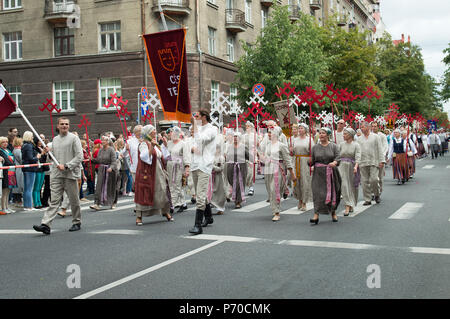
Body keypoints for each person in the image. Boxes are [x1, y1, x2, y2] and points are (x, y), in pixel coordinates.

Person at [33, 117, 83, 235]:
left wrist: (66, 165)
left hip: (70, 174)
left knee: (74, 200)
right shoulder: (55, 140)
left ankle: (77, 221)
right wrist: (47, 151)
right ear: (58, 126)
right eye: (62, 124)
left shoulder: (74, 138)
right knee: (54, 200)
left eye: (66, 124)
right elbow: (52, 157)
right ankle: (46, 224)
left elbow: (79, 156)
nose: (64, 126)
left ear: (69, 126)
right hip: (56, 174)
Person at [134, 124, 173, 226]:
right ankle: (139, 216)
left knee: (162, 190)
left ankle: (165, 211)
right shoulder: (143, 144)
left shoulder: (155, 143)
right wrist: (152, 146)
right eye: (153, 131)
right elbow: (145, 157)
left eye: (155, 130)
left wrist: (164, 145)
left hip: (158, 170)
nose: (155, 132)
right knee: (145, 193)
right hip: (147, 171)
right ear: (148, 133)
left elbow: (163, 156)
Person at [189, 109, 217, 235]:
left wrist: (194, 125)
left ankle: (197, 225)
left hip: (204, 165)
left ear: (204, 117)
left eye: (197, 116)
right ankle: (209, 217)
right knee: (201, 193)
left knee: (200, 196)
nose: (195, 117)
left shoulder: (212, 129)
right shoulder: (196, 129)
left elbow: (200, 141)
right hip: (195, 164)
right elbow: (192, 143)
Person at [260, 126, 295, 222]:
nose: (269, 134)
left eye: (271, 133)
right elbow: (265, 157)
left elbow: (287, 160)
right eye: (268, 133)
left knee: (274, 189)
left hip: (278, 169)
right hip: (268, 169)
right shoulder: (268, 145)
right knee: (270, 190)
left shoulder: (282, 146)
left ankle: (276, 212)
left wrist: (292, 173)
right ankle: (283, 191)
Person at [309, 127, 341, 224]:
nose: (321, 135)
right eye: (320, 133)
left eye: (323, 133)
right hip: (318, 174)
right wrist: (309, 162)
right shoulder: (315, 147)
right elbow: (312, 161)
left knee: (332, 193)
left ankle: (333, 212)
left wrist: (334, 162)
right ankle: (316, 214)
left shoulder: (334, 146)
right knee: (318, 193)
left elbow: (338, 157)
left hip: (331, 173)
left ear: (328, 135)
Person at [356, 121, 384, 205]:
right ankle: (367, 199)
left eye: (363, 127)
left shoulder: (376, 137)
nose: (361, 128)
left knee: (374, 180)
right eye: (361, 127)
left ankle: (376, 194)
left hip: (374, 161)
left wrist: (381, 160)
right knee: (364, 181)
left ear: (368, 127)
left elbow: (380, 149)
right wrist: (357, 162)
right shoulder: (359, 139)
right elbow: (357, 151)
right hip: (363, 162)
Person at [90, 135, 120, 210]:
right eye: (102, 140)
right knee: (99, 186)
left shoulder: (111, 150)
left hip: (110, 171)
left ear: (108, 142)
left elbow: (114, 161)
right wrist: (92, 159)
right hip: (102, 170)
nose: (102, 142)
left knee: (111, 187)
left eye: (104, 140)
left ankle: (113, 202)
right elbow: (99, 160)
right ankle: (97, 203)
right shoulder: (100, 150)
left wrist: (111, 168)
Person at [166, 126, 190, 213]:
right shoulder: (169, 143)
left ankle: (172, 205)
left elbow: (187, 156)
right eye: (172, 132)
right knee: (171, 184)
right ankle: (183, 203)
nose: (173, 134)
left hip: (178, 166)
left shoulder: (183, 144)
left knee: (176, 184)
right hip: (170, 165)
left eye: (176, 132)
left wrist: (187, 168)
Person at [338, 128, 361, 216]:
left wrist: (356, 166)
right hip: (342, 167)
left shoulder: (356, 145)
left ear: (351, 135)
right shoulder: (341, 144)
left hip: (351, 167)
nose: (343, 136)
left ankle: (351, 203)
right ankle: (347, 205)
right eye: (343, 134)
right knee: (344, 185)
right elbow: (337, 155)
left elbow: (358, 157)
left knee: (351, 186)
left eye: (345, 134)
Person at [291, 123, 314, 211]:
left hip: (305, 161)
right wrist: (291, 151)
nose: (300, 130)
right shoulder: (295, 140)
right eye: (299, 128)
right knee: (297, 181)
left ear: (305, 130)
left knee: (305, 181)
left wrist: (312, 164)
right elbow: (292, 153)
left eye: (301, 128)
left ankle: (304, 202)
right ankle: (299, 199)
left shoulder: (310, 139)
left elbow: (312, 152)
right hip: (296, 161)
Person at [225, 132, 249, 209]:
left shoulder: (243, 146)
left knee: (239, 183)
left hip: (241, 166)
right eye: (234, 137)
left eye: (237, 137)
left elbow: (248, 156)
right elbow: (226, 156)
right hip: (231, 166)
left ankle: (238, 201)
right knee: (232, 182)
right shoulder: (229, 146)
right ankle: (235, 197)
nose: (235, 138)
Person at [21, 131, 41, 211]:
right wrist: (37, 157)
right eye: (32, 136)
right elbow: (30, 158)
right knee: (29, 188)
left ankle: (27, 205)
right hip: (30, 168)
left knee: (27, 188)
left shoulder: (24, 145)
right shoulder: (29, 146)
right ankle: (29, 206)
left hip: (26, 168)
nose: (33, 138)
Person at [371, 121, 388, 195]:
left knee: (380, 177)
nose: (374, 128)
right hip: (371, 159)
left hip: (380, 158)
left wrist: (382, 157)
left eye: (375, 126)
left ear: (378, 127)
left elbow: (385, 146)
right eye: (372, 126)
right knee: (372, 178)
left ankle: (379, 190)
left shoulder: (382, 136)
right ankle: (372, 192)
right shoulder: (369, 135)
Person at [0, 136, 15, 214]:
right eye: (3, 142)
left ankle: (7, 206)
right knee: (4, 191)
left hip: (11, 171)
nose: (5, 143)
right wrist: (12, 163)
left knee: (9, 190)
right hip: (5, 172)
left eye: (6, 142)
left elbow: (13, 158)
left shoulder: (8, 150)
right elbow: (6, 161)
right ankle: (3, 207)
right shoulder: (1, 151)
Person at [32, 136, 46, 209]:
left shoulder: (42, 148)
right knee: (36, 187)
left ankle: (39, 202)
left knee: (40, 186)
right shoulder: (34, 149)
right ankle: (36, 203)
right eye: (40, 140)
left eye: (43, 140)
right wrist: (42, 153)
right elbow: (37, 157)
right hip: (37, 169)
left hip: (42, 168)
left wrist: (45, 153)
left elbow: (44, 158)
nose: (42, 142)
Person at [243, 121, 257, 196]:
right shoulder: (243, 136)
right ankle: (245, 187)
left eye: (248, 126)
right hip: (245, 155)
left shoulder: (255, 135)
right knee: (246, 172)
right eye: (246, 126)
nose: (247, 128)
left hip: (252, 155)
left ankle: (251, 187)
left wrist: (256, 150)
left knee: (251, 173)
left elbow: (258, 145)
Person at [11, 137, 24, 207]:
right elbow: (21, 159)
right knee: (19, 184)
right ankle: (18, 200)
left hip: (16, 168)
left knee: (17, 184)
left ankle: (16, 199)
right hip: (19, 168)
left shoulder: (14, 150)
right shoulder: (18, 150)